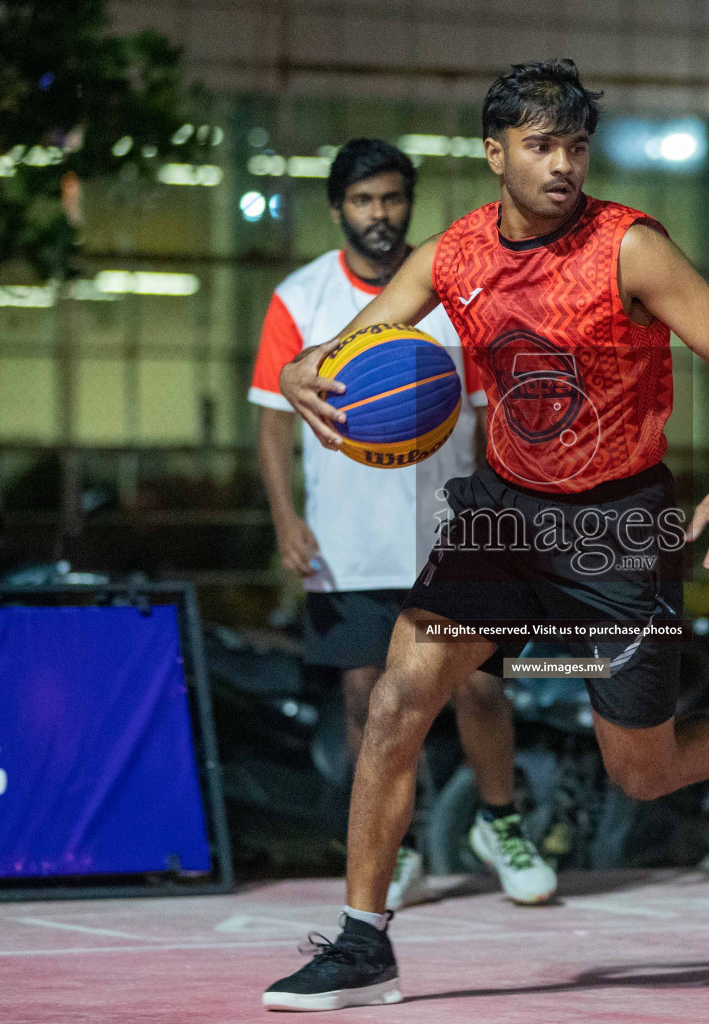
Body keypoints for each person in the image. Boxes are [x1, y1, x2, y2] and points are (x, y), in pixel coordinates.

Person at [262, 61, 709, 1012]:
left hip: (621, 523)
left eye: (575, 146)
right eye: (541, 146)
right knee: (400, 700)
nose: (563, 165)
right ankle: (364, 943)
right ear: (495, 155)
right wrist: (299, 376)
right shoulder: (451, 256)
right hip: (502, 513)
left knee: (640, 771)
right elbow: (341, 354)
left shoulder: (629, 247)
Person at [248, 138, 555, 914]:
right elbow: (272, 423)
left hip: (449, 534)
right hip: (347, 544)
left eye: (391, 198)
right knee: (364, 699)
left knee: (482, 690)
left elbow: (493, 418)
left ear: (408, 202)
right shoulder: (301, 296)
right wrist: (285, 518)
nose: (379, 215)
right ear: (337, 209)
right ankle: (400, 845)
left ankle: (500, 824)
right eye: (363, 201)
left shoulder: (455, 289)